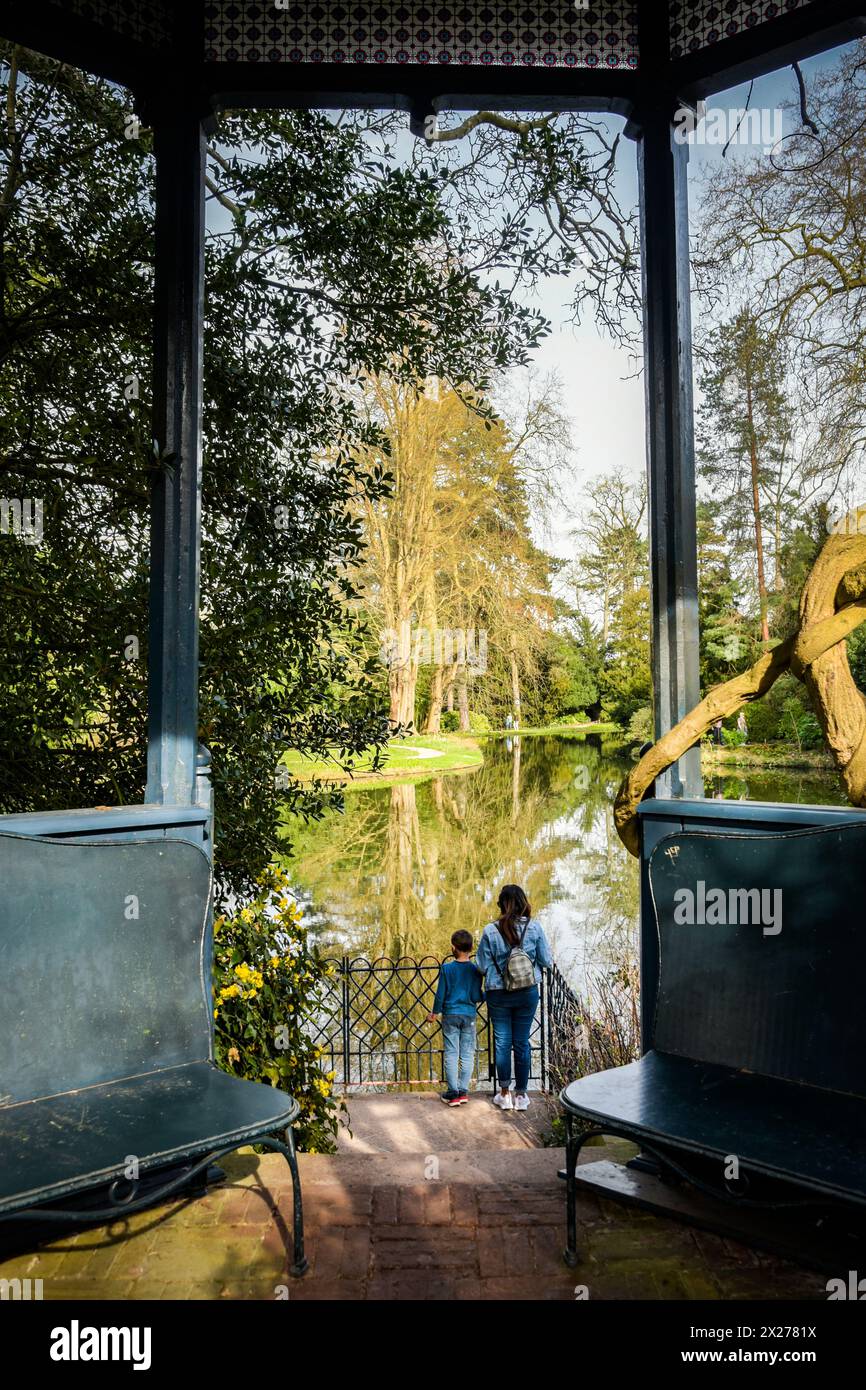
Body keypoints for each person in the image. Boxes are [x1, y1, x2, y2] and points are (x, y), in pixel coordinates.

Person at [475, 884, 552, 1112]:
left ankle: (504, 1094)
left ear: (501, 904)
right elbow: (547, 961)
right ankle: (521, 1095)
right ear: (523, 902)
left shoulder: (490, 930)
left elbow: (480, 965)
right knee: (521, 1042)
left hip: (498, 993)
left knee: (502, 1042)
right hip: (527, 992)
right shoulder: (535, 928)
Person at [427, 929, 483, 1106]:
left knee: (452, 1053)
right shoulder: (475, 969)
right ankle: (463, 1091)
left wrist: (434, 1013)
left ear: (453, 948)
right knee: (467, 1053)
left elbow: (440, 995)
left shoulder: (447, 969)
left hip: (450, 1015)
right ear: (471, 947)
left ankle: (453, 1093)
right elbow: (476, 996)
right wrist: (488, 995)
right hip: (469, 1015)